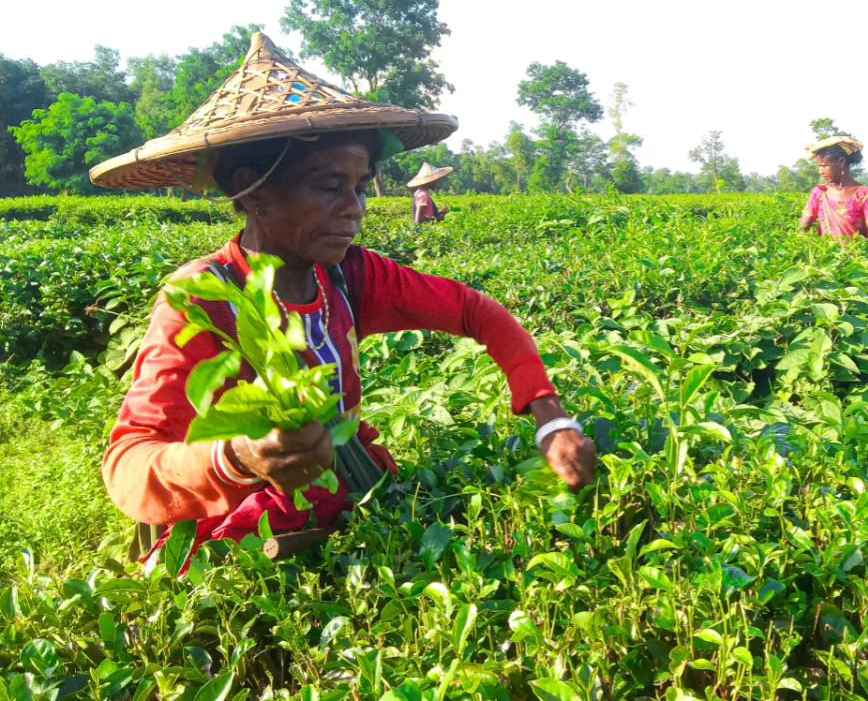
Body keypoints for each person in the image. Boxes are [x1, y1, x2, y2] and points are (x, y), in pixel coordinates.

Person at [89, 33, 597, 560]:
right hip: (243, 539)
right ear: (254, 189)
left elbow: (478, 313)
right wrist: (236, 457)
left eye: (360, 187)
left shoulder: (350, 276)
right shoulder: (204, 299)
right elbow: (128, 466)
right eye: (331, 186)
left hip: (350, 500)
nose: (355, 208)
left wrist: (551, 418)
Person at [797, 136, 868, 240]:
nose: (820, 171)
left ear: (841, 162)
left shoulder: (864, 194)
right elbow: (800, 231)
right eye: (819, 167)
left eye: (824, 166)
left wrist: (853, 250)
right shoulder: (819, 192)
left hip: (857, 255)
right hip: (826, 254)